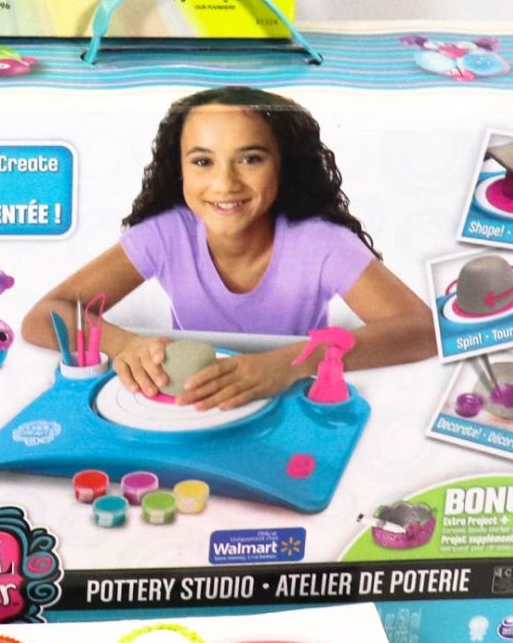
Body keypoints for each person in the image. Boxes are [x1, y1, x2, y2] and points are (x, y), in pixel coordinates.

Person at [23, 86, 436, 409]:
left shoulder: (320, 243)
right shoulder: (166, 235)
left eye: (250, 159)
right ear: (179, 169)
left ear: (284, 166)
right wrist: (122, 344)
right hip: (188, 402)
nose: (225, 184)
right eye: (203, 162)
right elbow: (42, 316)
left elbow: (425, 331)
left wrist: (293, 362)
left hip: (291, 400)